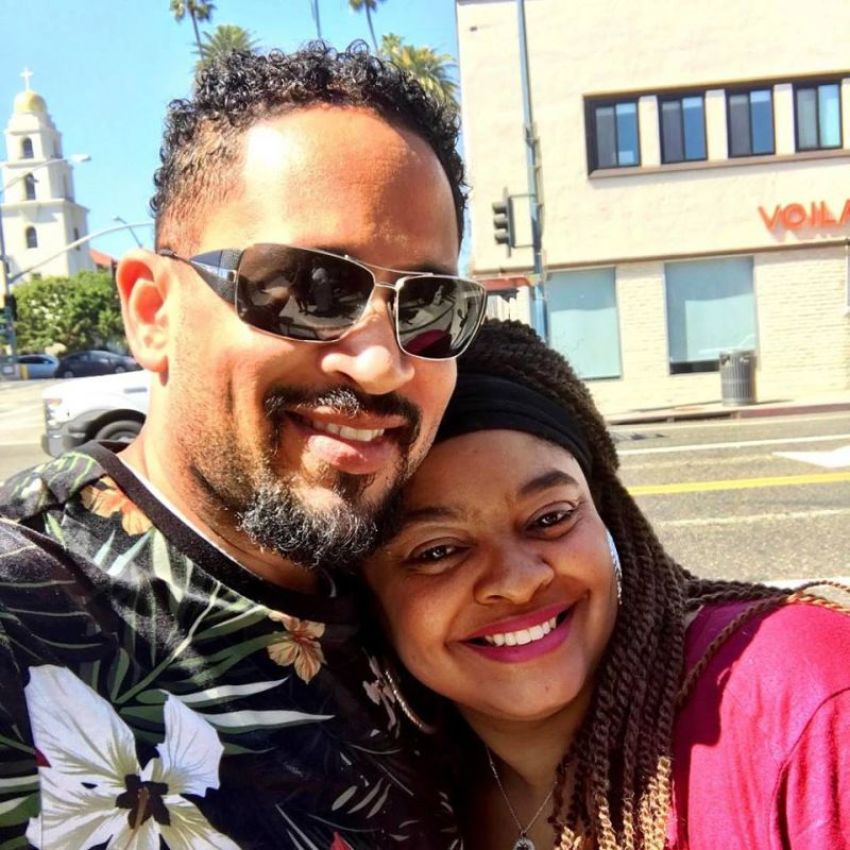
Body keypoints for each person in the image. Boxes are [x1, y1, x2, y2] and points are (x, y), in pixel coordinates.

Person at [0, 44, 486, 849]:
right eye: (308, 288)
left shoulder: (429, 593)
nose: (379, 364)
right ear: (153, 313)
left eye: (430, 306)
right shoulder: (26, 615)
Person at [364, 320, 850, 850]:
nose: (520, 582)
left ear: (607, 518)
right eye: (438, 552)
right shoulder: (376, 789)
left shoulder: (798, 698)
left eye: (551, 518)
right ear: (367, 593)